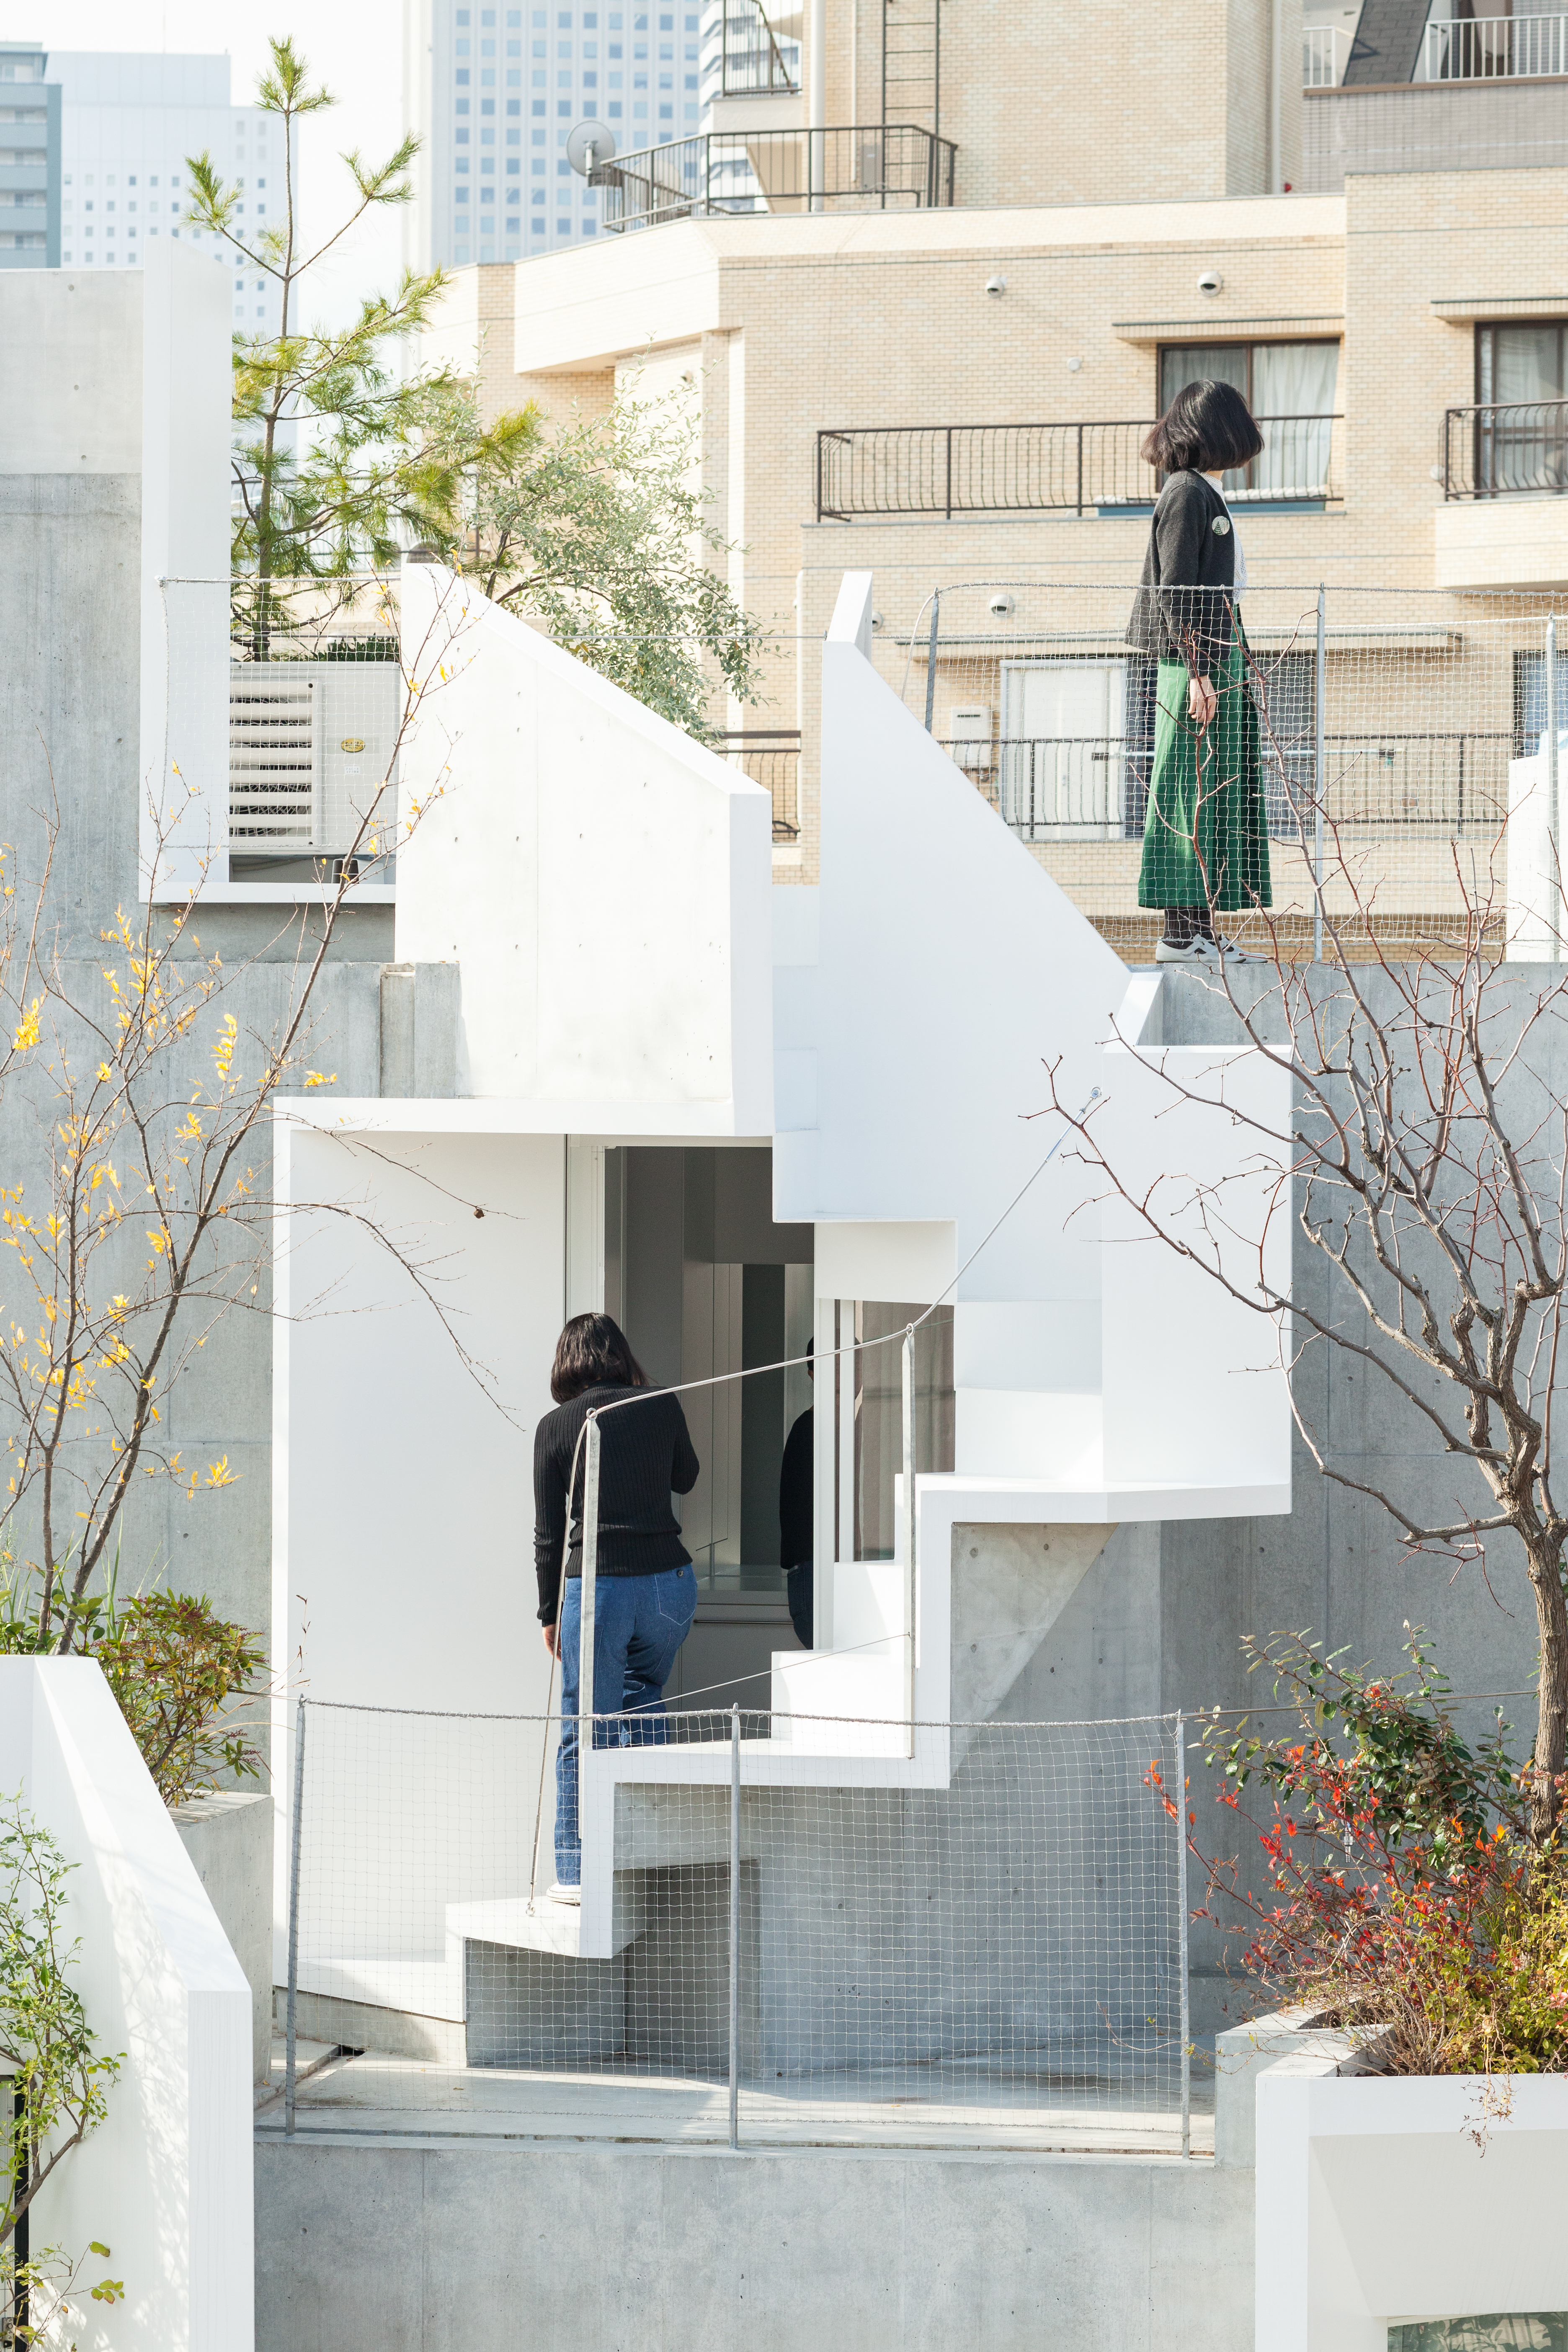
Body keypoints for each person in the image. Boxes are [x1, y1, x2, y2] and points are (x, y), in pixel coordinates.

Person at [533, 1311, 700, 1901]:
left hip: (599, 1588)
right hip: (669, 1585)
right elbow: (687, 1478)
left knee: (586, 1727)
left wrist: (548, 1613)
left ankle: (577, 1872)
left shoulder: (556, 1426)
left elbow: (549, 1534)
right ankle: (645, 1863)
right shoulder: (660, 1403)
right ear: (620, 1354)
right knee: (643, 1698)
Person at [1127, 378, 1271, 966]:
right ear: (1218, 429)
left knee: (1214, 789)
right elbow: (1177, 589)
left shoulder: (1202, 490)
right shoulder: (1187, 493)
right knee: (1189, 788)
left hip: (1213, 651)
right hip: (1192, 659)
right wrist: (1197, 671)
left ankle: (1201, 933)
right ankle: (1181, 936)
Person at [779, 1338, 813, 1647]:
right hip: (813, 1567)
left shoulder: (855, 1423)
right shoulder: (807, 1429)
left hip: (823, 1566)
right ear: (813, 1373)